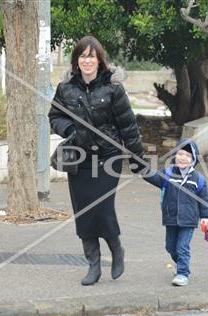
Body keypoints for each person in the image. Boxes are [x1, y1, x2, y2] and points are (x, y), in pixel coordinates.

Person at [48, 36, 145, 286]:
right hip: (79, 159)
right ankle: (93, 264)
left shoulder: (114, 88)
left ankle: (116, 248)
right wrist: (70, 129)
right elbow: (55, 116)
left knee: (101, 207)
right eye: (82, 56)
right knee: (84, 211)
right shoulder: (65, 88)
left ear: (100, 59)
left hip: (108, 157)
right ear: (76, 60)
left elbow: (128, 126)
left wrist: (138, 159)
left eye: (91, 56)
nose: (87, 60)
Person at [143, 139, 208, 286]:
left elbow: (204, 200)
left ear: (193, 159)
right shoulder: (167, 173)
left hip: (188, 220)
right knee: (170, 247)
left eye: (187, 155)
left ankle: (183, 273)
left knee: (182, 247)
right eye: (180, 153)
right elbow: (152, 177)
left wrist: (205, 217)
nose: (182, 157)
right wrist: (142, 167)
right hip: (171, 218)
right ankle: (181, 264)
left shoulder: (198, 179)